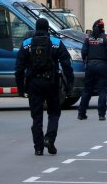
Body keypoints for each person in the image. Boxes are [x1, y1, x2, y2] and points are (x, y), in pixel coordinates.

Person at [15, 18, 74, 156]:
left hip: (33, 84)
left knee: (36, 116)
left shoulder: (26, 44)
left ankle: (38, 147)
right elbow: (67, 65)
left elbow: (18, 69)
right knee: (53, 113)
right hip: (51, 83)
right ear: (48, 29)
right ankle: (49, 139)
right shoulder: (56, 43)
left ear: (35, 28)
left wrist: (20, 88)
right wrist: (69, 85)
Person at [78, 19, 107, 121]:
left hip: (90, 66)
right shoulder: (106, 38)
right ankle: (101, 115)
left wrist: (87, 61)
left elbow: (83, 52)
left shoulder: (88, 38)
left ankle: (81, 113)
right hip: (102, 66)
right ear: (102, 28)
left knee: (87, 90)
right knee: (102, 90)